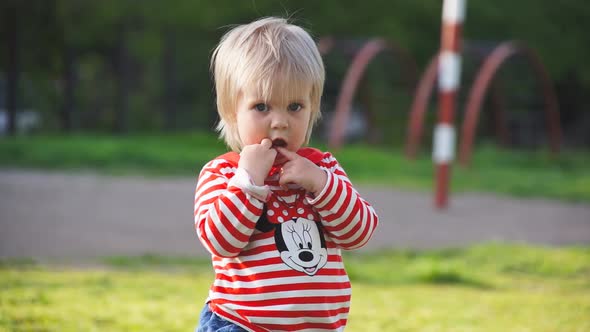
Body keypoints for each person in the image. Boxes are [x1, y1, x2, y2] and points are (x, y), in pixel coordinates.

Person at [194, 17, 379, 332]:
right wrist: (249, 183)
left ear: (312, 109)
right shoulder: (224, 173)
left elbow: (359, 233)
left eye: (295, 107)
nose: (280, 122)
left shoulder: (324, 170)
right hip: (241, 324)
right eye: (262, 107)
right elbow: (221, 241)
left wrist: (322, 185)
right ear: (231, 111)